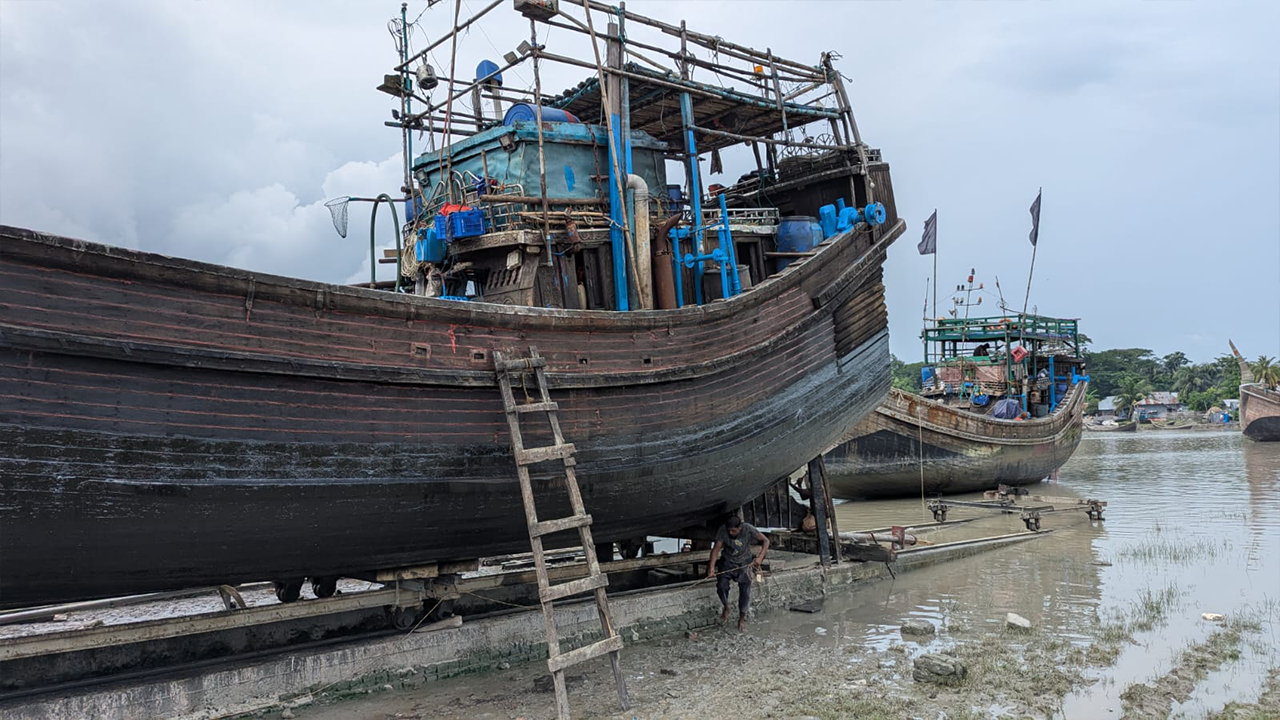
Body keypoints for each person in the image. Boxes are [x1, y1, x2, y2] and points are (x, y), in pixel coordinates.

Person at [706, 515, 769, 632]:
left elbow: (766, 541)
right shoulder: (723, 530)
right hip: (727, 562)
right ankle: (726, 606)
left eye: (734, 531)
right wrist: (712, 567)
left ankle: (741, 618)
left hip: (744, 563)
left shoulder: (748, 528)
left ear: (740, 528)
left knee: (745, 591)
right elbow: (716, 549)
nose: (731, 533)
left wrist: (760, 557)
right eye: (729, 530)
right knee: (721, 586)